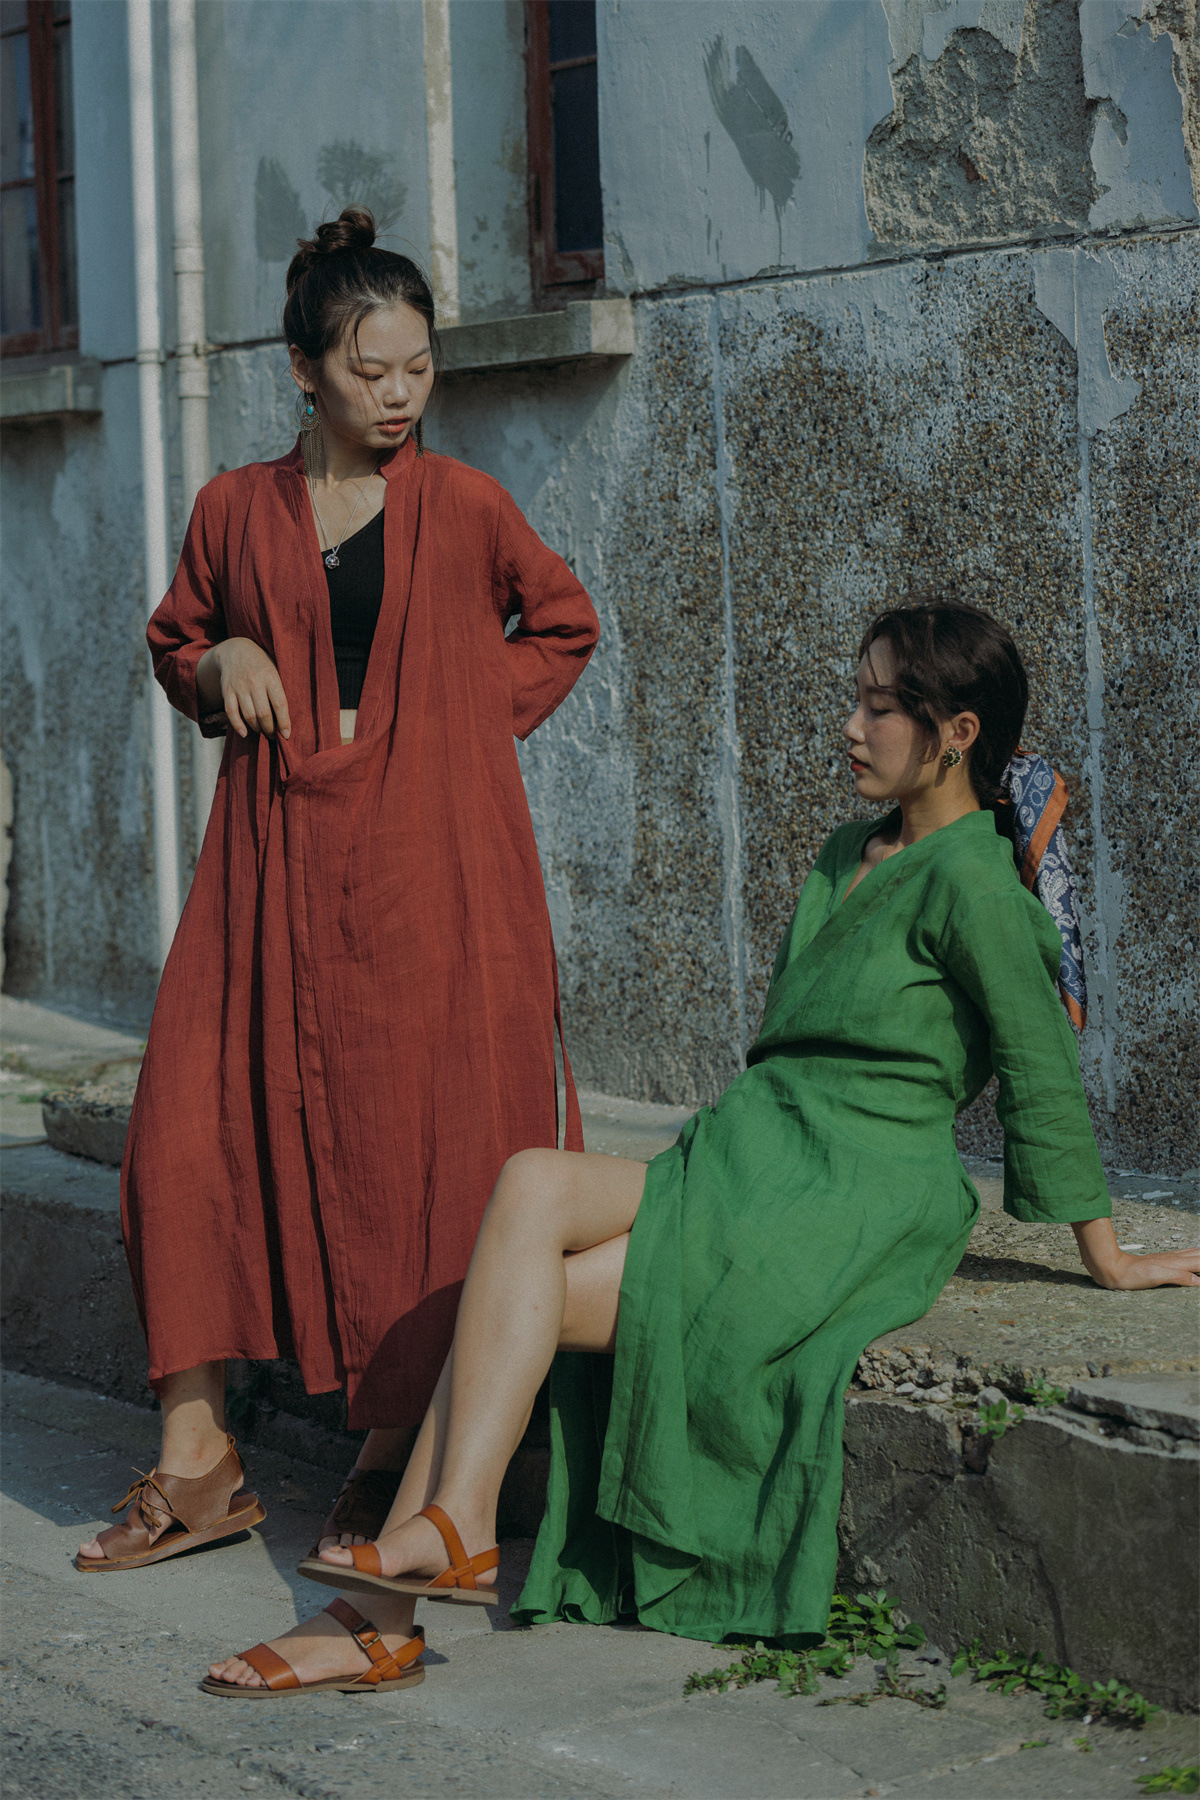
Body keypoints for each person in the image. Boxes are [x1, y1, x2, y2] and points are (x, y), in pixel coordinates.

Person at [203, 601, 1198, 1696]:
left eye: (881, 708)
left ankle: (386, 1606)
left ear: (957, 734)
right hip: (750, 1151)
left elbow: (1042, 1071)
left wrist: (1108, 1256)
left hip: (855, 1187)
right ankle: (455, 1527)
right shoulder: (846, 852)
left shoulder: (977, 884)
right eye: (855, 699)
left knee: (528, 1291)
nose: (851, 727)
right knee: (530, 1181)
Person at [77, 208, 599, 1576]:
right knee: (183, 1133)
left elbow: (564, 622)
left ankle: (394, 1454)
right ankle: (199, 1461)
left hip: (436, 859)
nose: (401, 394)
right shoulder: (233, 510)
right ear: (304, 371)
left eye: (420, 368)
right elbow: (178, 636)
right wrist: (217, 662)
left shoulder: (466, 505)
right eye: (372, 372)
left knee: (426, 1139)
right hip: (266, 856)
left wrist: (454, 721)